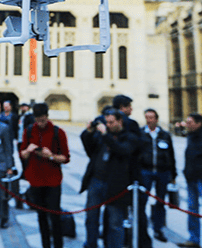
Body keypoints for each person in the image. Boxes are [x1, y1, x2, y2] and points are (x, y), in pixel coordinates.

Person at [80, 108, 137, 248]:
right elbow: (89, 147)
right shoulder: (101, 136)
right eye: (107, 122)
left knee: (115, 223)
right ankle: (90, 244)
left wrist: (105, 134)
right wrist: (89, 131)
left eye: (112, 122)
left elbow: (121, 150)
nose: (109, 125)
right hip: (96, 180)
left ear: (120, 121)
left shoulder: (129, 137)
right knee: (91, 217)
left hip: (116, 185)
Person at [19, 102, 70, 248]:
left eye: (43, 120)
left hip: (53, 181)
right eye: (38, 120)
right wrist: (28, 150)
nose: (40, 123)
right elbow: (22, 155)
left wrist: (51, 156)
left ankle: (58, 245)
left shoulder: (58, 132)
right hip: (35, 181)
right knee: (41, 216)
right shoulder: (29, 131)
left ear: (47, 116)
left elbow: (65, 158)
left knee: (54, 216)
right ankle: (45, 245)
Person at [176, 113, 202, 248]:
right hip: (190, 179)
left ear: (199, 123)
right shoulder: (190, 137)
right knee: (192, 210)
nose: (187, 125)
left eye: (190, 122)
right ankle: (194, 239)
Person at [138, 108, 176, 244]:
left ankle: (158, 228)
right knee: (142, 200)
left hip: (162, 171)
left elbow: (171, 155)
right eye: (147, 117)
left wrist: (173, 174)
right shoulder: (141, 133)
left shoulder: (164, 135)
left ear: (156, 119)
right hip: (146, 171)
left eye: (151, 118)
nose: (149, 120)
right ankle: (141, 228)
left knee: (160, 201)